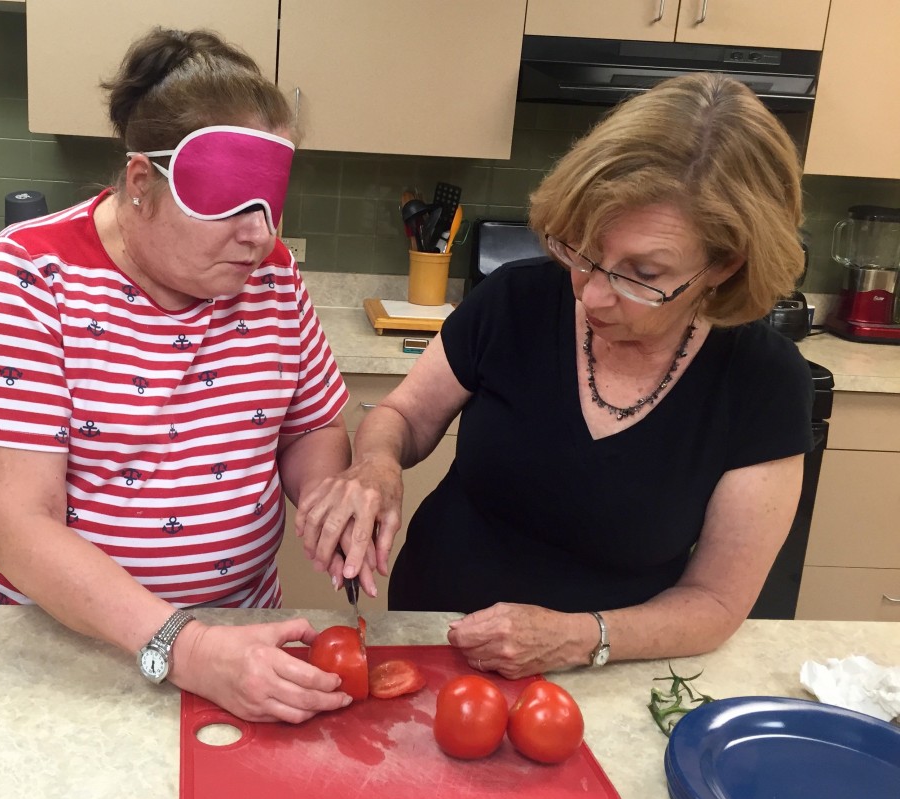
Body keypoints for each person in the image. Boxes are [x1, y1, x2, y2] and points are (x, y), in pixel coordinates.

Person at [298, 73, 814, 679]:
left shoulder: (763, 381)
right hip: (435, 633)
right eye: (582, 250)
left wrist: (580, 637)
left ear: (725, 265)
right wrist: (377, 465)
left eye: (640, 273)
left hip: (602, 673)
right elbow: (404, 415)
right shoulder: (515, 299)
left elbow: (716, 603)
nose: (592, 295)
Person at [0, 28, 356, 723]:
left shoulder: (272, 278)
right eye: (230, 205)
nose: (261, 235)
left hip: (232, 650)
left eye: (270, 203)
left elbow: (309, 426)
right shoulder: (30, 277)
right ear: (141, 184)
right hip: (40, 654)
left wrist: (332, 498)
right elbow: (14, 524)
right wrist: (184, 648)